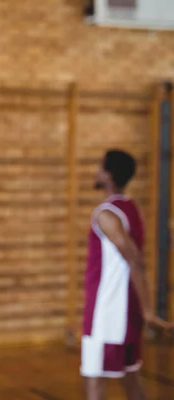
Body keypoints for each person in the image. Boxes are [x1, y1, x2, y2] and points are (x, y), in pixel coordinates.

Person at [80, 149, 173, 400]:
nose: (96, 172)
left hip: (107, 314)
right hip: (126, 315)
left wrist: (148, 312)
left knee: (95, 382)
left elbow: (134, 260)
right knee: (131, 379)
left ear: (108, 175)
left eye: (100, 167)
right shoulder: (131, 208)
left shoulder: (106, 215)